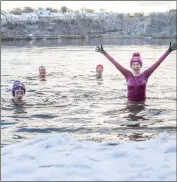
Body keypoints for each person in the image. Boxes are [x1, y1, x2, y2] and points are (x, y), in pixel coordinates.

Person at [95, 42, 177, 102]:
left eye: (137, 64)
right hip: (129, 103)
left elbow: (158, 63)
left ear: (141, 65)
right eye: (133, 64)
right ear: (131, 66)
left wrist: (168, 51)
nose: (135, 66)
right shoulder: (127, 74)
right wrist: (104, 53)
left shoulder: (145, 74)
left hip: (142, 103)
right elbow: (115, 63)